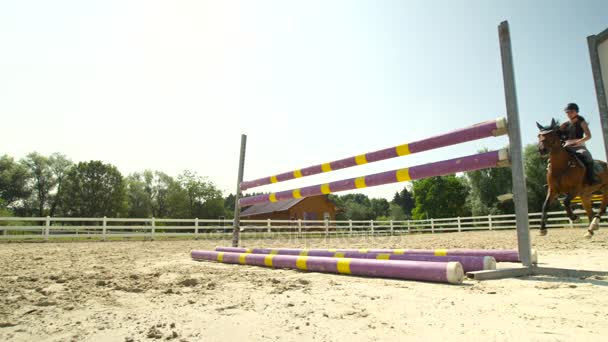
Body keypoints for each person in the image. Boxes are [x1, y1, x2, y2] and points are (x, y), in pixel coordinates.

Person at [559, 103, 599, 184]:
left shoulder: (582, 121)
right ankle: (554, 180)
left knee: (587, 156)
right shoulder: (564, 124)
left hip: (579, 145)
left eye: (571, 112)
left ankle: (592, 178)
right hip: (566, 146)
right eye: (567, 112)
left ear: (576, 112)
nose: (569, 114)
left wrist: (577, 142)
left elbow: (588, 136)